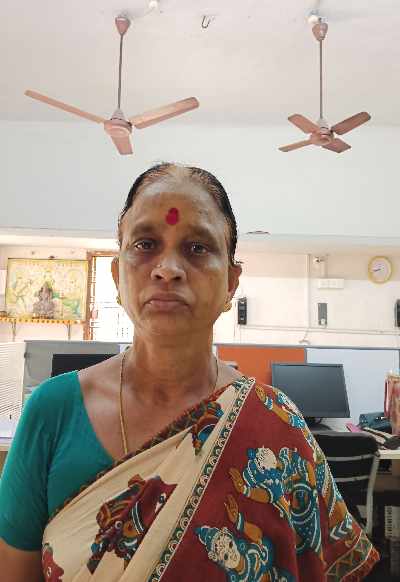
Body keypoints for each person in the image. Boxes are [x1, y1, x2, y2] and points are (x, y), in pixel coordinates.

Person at [0, 163, 378, 581]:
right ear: (117, 275)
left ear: (231, 282)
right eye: (145, 244)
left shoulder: (276, 423)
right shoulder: (52, 412)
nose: (167, 268)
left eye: (197, 247)